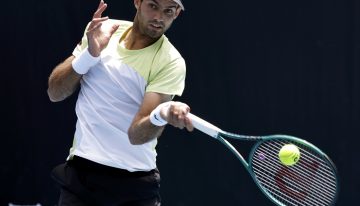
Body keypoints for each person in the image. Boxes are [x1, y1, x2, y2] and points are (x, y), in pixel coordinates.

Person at [47, 0, 193, 205]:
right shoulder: (101, 31)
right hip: (81, 176)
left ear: (176, 13)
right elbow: (55, 92)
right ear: (137, 2)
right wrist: (89, 55)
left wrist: (162, 115)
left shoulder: (171, 62)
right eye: (153, 6)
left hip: (134, 186)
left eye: (168, 11)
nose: (159, 17)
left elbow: (136, 135)